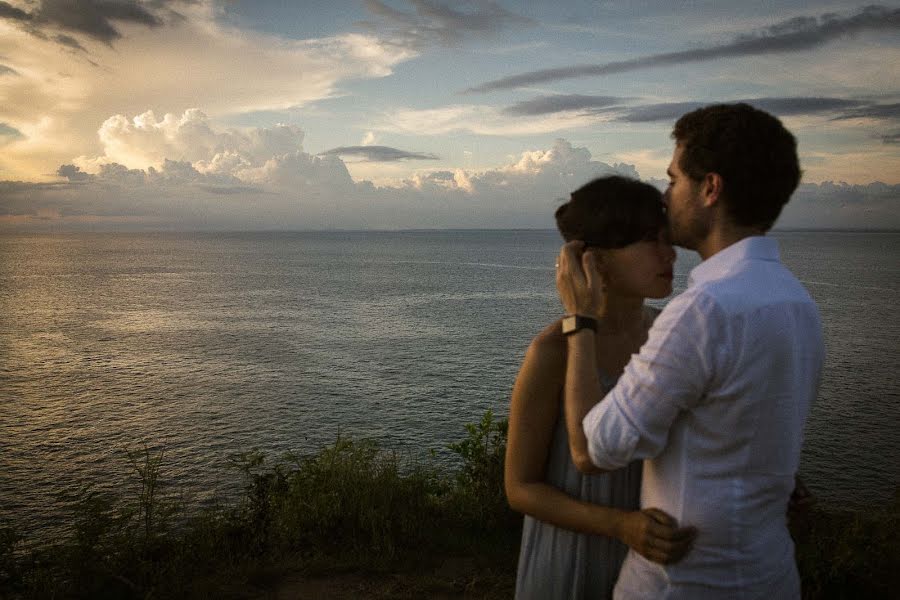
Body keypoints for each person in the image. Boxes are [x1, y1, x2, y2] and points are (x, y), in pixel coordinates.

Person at [556, 103, 824, 599]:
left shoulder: (704, 311)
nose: (666, 195)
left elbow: (593, 450)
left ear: (710, 188)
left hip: (685, 584)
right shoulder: (797, 301)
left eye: (674, 178)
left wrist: (579, 318)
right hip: (769, 576)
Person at [506, 176, 697, 600]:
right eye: (650, 241)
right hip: (572, 561)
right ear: (596, 262)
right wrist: (621, 525)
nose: (670, 254)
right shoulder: (552, 351)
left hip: (654, 565)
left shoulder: (670, 334)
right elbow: (520, 488)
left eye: (668, 239)